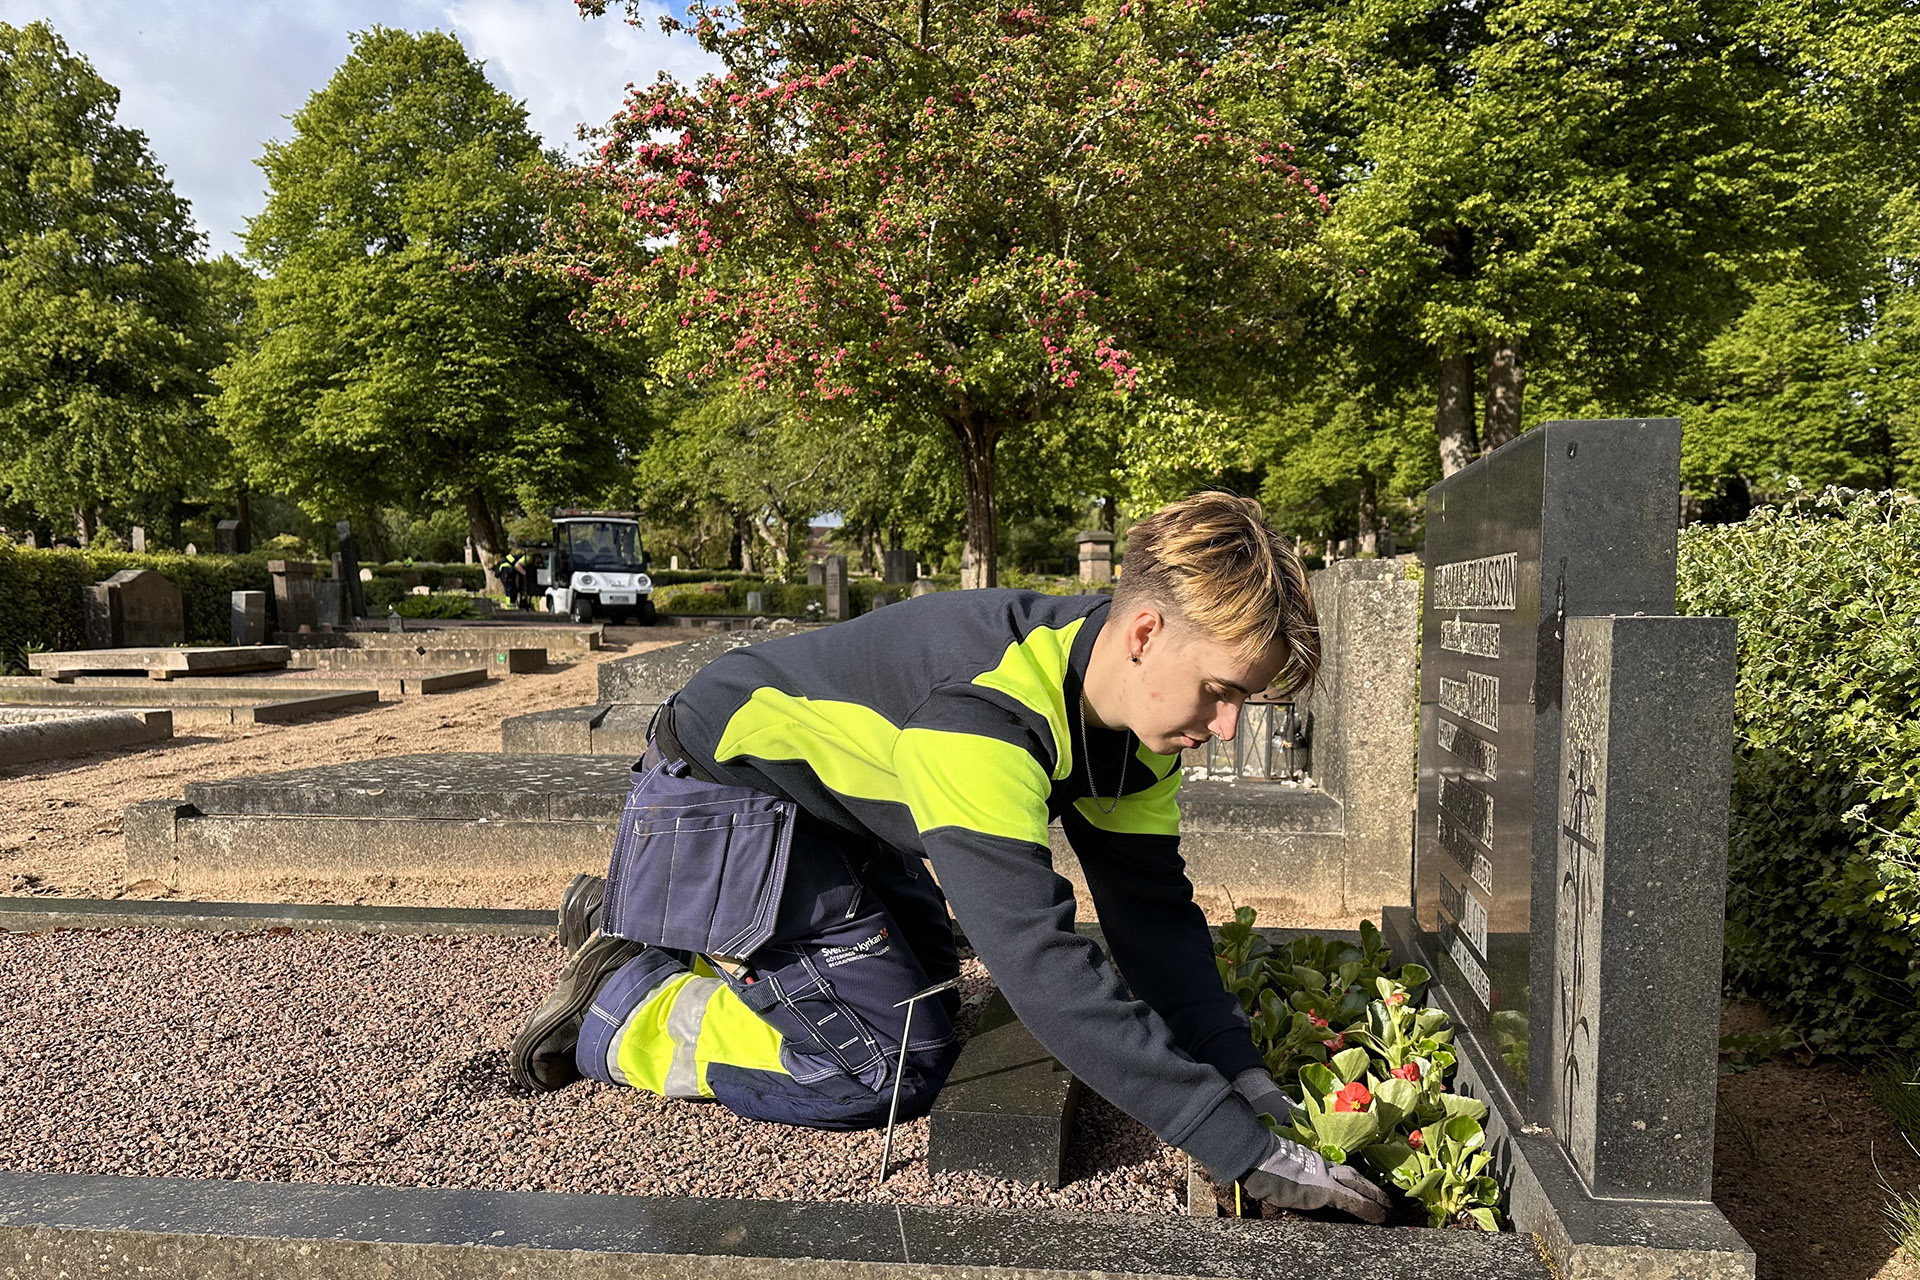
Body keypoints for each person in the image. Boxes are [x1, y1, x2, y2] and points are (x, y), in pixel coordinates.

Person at [508, 492, 1390, 1223]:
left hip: (842, 812)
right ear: (1146, 632)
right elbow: (1040, 965)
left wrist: (1243, 1076)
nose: (1228, 727)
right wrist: (1232, 1145)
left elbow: (1150, 917)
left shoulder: (1139, 727)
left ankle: (648, 916)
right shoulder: (985, 716)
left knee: (929, 982)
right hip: (726, 791)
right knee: (887, 1064)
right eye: (1222, 692)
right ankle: (621, 1005)